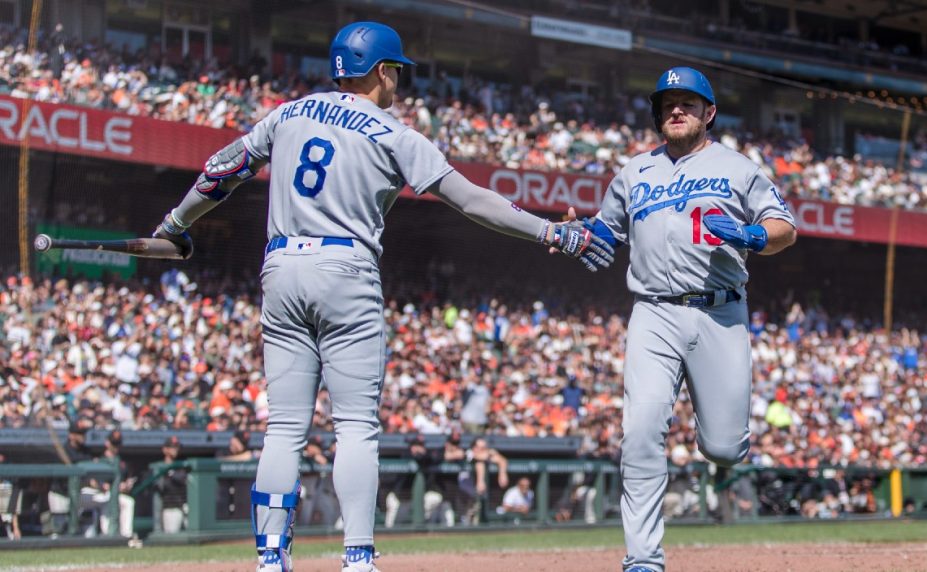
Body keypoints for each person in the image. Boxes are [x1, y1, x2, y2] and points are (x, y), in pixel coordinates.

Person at [150, 20, 612, 572]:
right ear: (381, 71)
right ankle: (358, 558)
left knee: (285, 427)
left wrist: (175, 224)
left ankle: (271, 559)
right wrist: (551, 232)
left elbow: (220, 171)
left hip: (281, 264)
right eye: (396, 71)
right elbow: (471, 200)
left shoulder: (289, 112)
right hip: (345, 266)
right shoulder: (395, 133)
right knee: (355, 426)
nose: (398, 81)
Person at [574, 66, 797, 572]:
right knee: (641, 430)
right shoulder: (633, 173)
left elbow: (785, 227)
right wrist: (584, 237)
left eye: (688, 103)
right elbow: (606, 233)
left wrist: (756, 236)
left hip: (720, 312)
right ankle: (643, 559)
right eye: (668, 103)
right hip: (653, 311)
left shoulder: (738, 168)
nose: (677, 110)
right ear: (658, 113)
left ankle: (717, 442)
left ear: (708, 113)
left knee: (723, 448)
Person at [155, 436, 189, 533]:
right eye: (172, 447)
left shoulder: (181, 466)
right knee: (172, 539)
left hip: (184, 506)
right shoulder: (158, 467)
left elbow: (183, 479)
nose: (176, 449)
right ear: (165, 449)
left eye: (177, 447)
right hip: (170, 508)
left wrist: (172, 473)